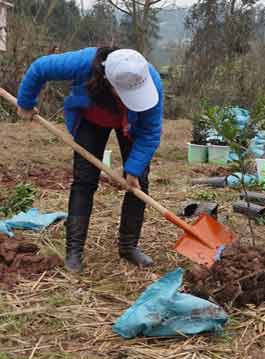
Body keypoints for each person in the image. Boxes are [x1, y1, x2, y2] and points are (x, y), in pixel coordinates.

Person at [16, 47, 164, 272]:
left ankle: (128, 247)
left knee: (139, 183)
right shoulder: (84, 63)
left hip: (132, 125)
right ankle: (74, 251)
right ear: (108, 80)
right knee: (84, 181)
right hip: (91, 120)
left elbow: (151, 132)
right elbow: (39, 68)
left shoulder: (151, 82)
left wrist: (132, 170)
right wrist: (25, 103)